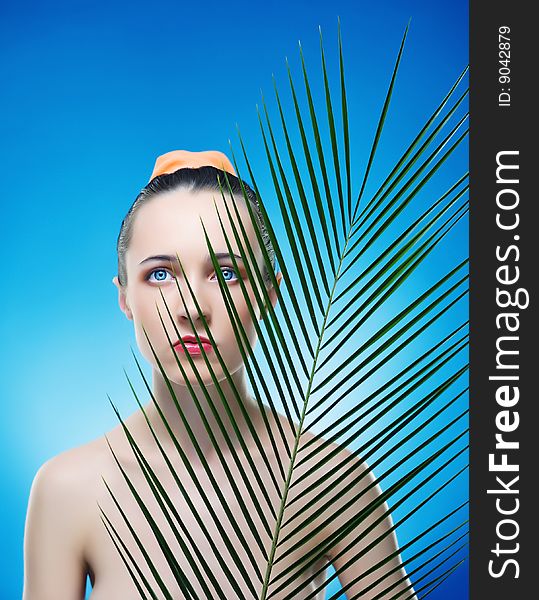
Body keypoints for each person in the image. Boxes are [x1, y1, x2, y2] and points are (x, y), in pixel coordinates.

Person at [23, 150, 416, 600]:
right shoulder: (68, 489)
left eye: (225, 273)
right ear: (124, 297)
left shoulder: (328, 478)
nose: (192, 309)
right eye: (159, 275)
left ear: (269, 293)